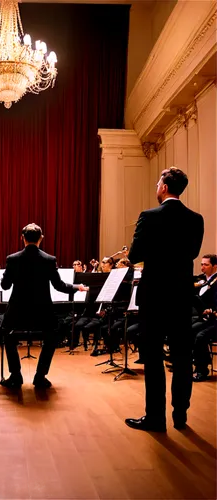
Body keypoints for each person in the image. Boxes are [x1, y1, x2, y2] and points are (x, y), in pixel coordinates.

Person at [126, 167, 204, 432]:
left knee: (153, 356)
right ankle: (180, 415)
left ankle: (155, 417)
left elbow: (135, 255)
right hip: (182, 295)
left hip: (154, 295)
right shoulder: (196, 219)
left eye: (158, 183)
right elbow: (192, 253)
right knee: (183, 356)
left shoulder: (148, 217)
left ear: (163, 187)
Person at [0, 223, 88, 389]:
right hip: (42, 313)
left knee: (6, 334)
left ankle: (15, 375)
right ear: (41, 238)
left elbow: (5, 286)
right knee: (52, 337)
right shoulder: (49, 260)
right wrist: (77, 287)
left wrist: (5, 278)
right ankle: (40, 376)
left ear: (22, 238)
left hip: (17, 313)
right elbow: (59, 286)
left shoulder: (12, 259)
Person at [192, 254, 217, 381]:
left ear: (215, 266)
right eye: (201, 264)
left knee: (200, 336)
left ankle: (202, 369)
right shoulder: (201, 280)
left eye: (206, 265)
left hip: (215, 321)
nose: (202, 267)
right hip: (206, 319)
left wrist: (212, 310)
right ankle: (190, 363)